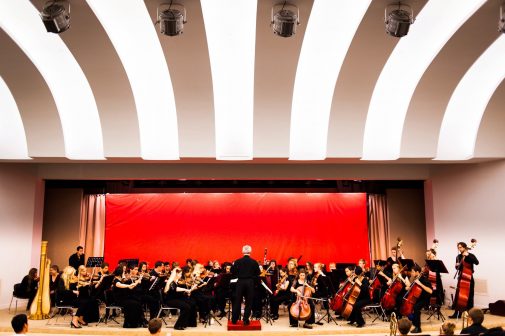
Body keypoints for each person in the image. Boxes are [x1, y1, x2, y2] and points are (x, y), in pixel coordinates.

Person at [231, 245, 260, 326]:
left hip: (240, 282)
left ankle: (234, 320)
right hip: (250, 282)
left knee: (237, 301)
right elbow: (257, 273)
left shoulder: (237, 261)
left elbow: (232, 271)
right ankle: (245, 320)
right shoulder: (254, 262)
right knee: (249, 302)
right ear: (250, 252)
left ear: (242, 251)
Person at [450, 242, 479, 318]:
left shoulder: (470, 255)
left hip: (469, 278)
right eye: (458, 247)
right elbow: (458, 268)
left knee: (469, 297)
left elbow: (477, 262)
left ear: (464, 247)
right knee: (458, 296)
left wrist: (468, 255)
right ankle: (457, 314)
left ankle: (470, 314)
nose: (459, 249)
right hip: (461, 278)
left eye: (460, 247)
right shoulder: (458, 257)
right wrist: (457, 266)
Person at [404, 265, 432, 334]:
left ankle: (418, 327)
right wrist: (408, 288)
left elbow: (430, 291)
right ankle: (414, 322)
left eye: (413, 272)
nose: (412, 273)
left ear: (417, 272)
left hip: (425, 299)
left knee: (416, 307)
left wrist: (421, 284)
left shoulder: (424, 279)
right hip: (418, 298)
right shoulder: (416, 278)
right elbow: (413, 288)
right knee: (410, 306)